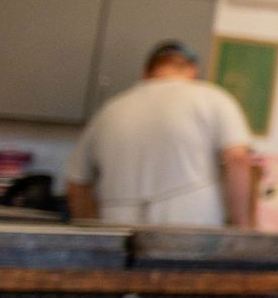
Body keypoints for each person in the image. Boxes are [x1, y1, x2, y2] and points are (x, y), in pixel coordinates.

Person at [66, 40, 253, 227]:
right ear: (194, 70)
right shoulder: (214, 98)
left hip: (119, 230)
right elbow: (237, 160)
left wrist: (95, 236)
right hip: (191, 226)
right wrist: (242, 227)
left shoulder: (109, 110)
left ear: (146, 72)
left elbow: (76, 185)